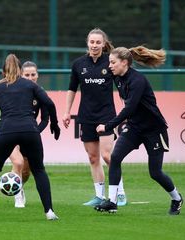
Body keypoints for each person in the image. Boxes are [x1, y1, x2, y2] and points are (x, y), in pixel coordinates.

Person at [0, 54, 60, 220]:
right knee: (39, 170)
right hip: (30, 131)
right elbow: (50, 104)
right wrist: (55, 124)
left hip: (6, 132)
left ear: (2, 72)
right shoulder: (31, 86)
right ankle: (49, 212)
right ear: (20, 70)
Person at [94, 46, 183, 215]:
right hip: (135, 127)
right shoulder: (117, 76)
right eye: (109, 62)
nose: (110, 66)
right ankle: (112, 202)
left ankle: (177, 198)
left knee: (155, 173)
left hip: (154, 129)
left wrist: (107, 126)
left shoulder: (138, 81)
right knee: (115, 157)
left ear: (125, 63)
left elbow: (129, 109)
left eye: (113, 62)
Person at [62, 28, 127, 206]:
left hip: (106, 116)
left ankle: (120, 193)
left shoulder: (110, 63)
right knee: (93, 158)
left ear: (104, 44)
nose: (95, 45)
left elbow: (122, 87)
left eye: (98, 42)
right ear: (87, 43)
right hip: (86, 117)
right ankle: (99, 196)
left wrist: (127, 110)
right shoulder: (78, 64)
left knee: (107, 155)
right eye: (92, 42)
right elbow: (72, 89)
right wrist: (67, 112)